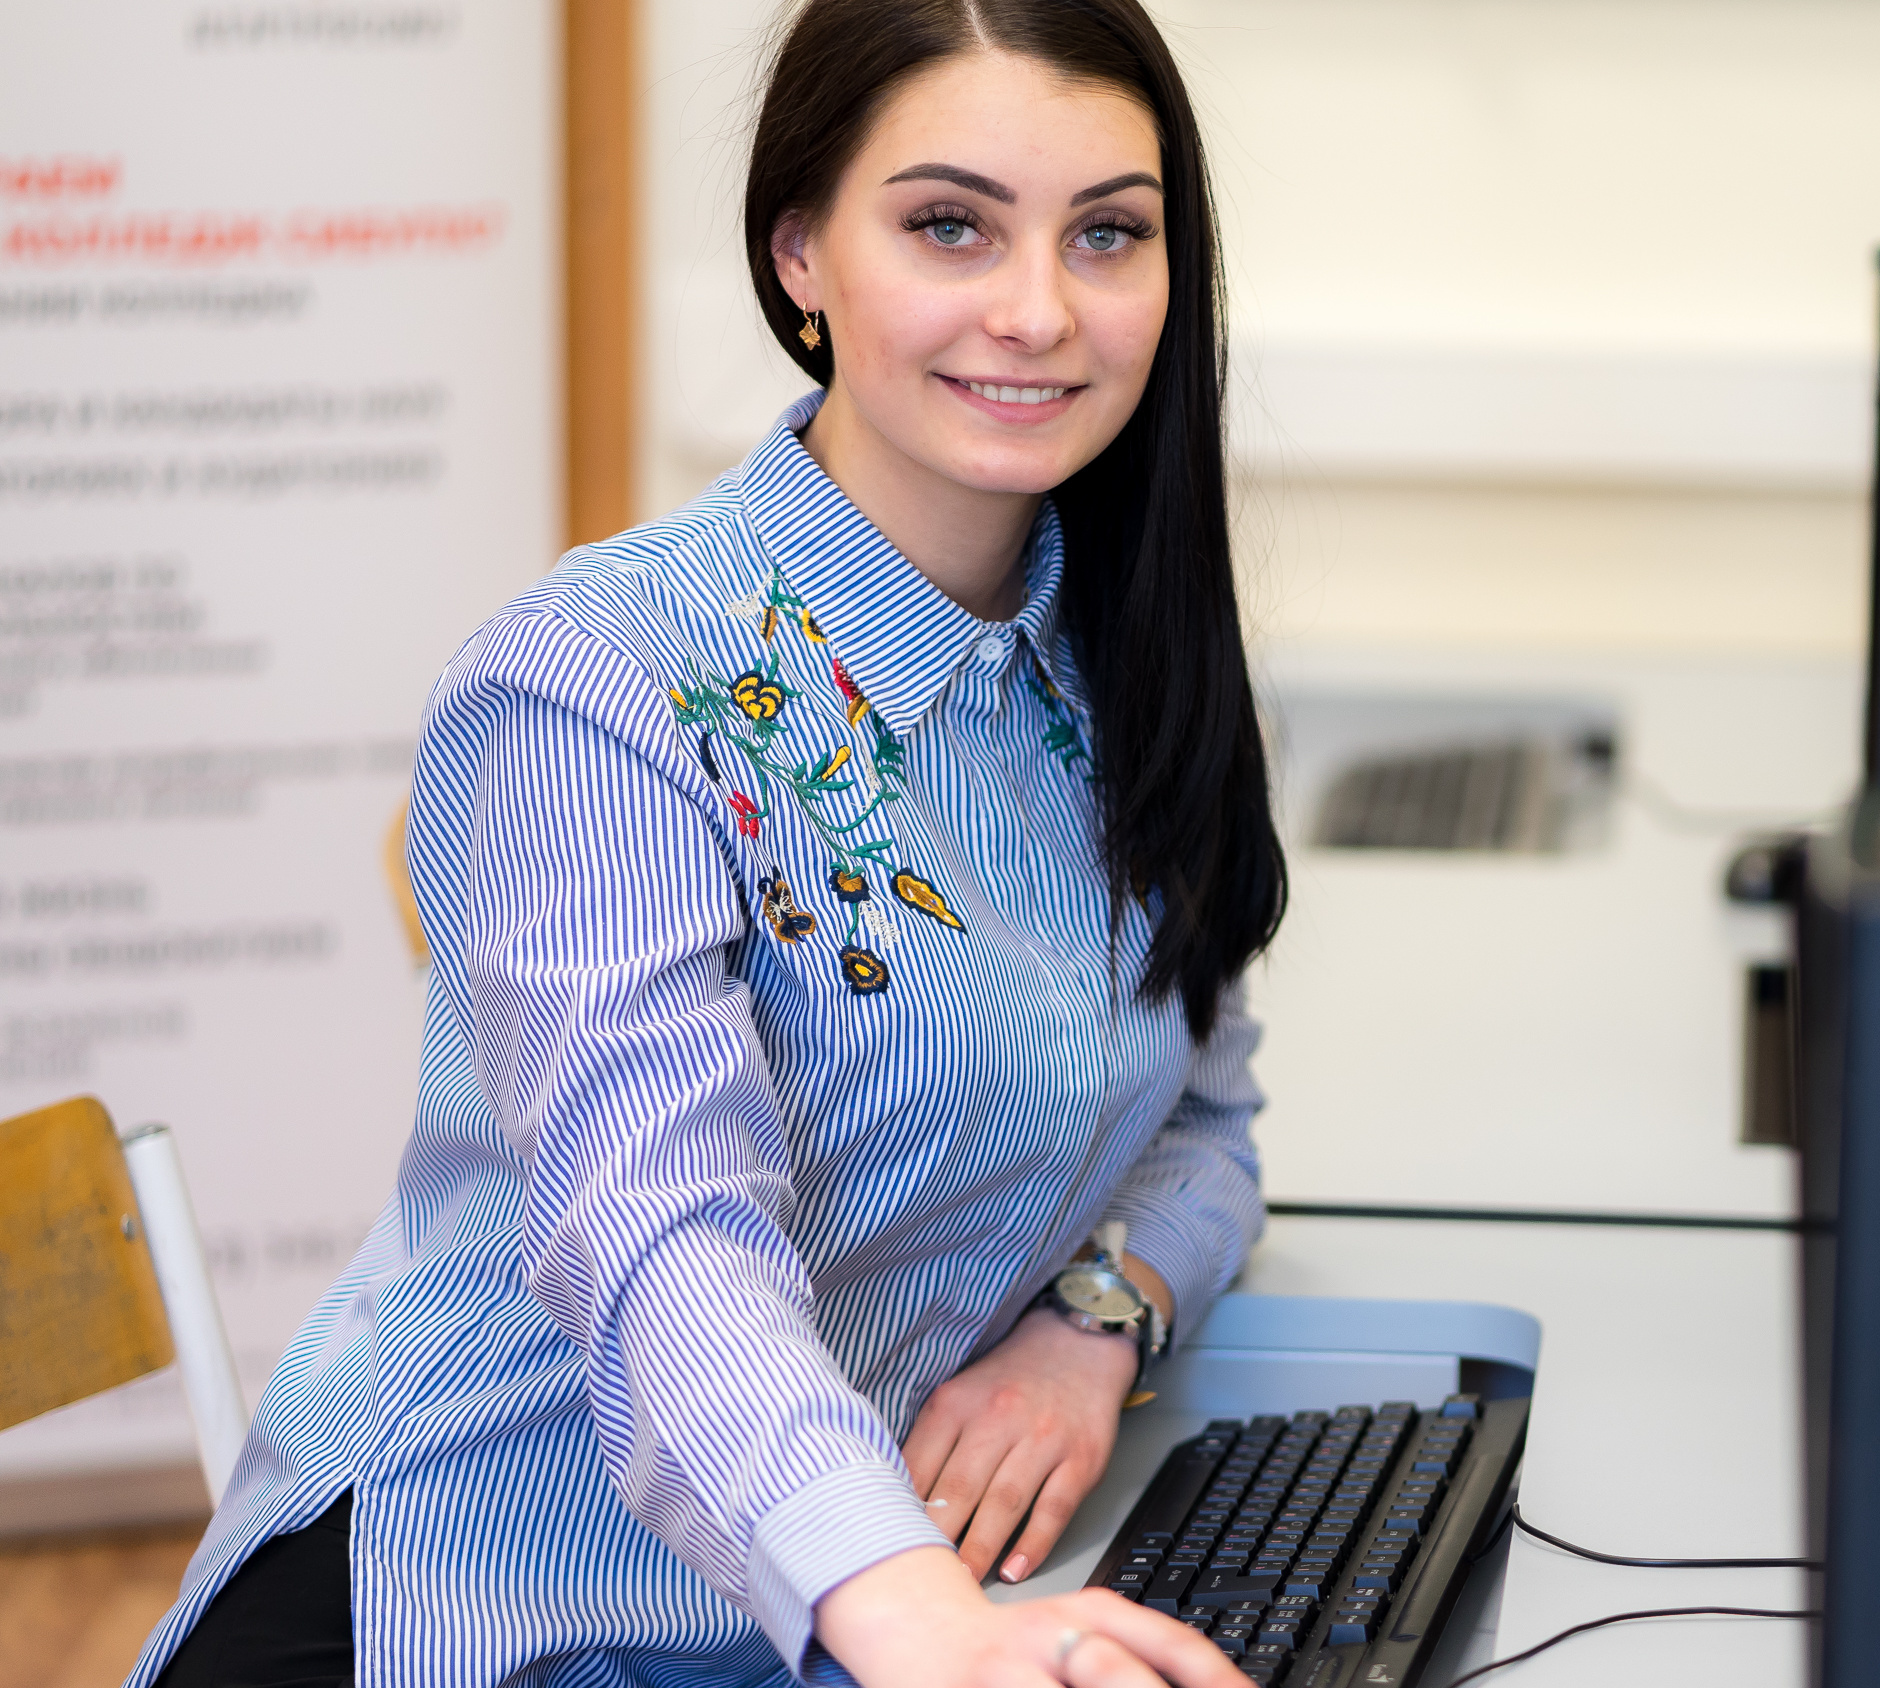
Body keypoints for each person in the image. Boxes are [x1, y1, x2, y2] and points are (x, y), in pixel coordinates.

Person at [132, 1, 1282, 1683]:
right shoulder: (602, 682)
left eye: (1107, 233)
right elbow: (664, 1232)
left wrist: (1089, 1330)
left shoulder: (1116, 656)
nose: (1038, 310)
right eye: (948, 224)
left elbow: (1206, 1106)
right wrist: (919, 1623)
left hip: (828, 1622)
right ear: (800, 250)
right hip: (496, 1616)